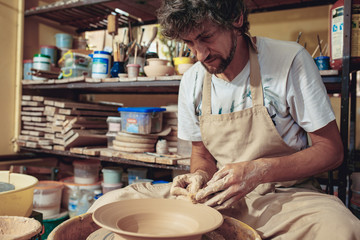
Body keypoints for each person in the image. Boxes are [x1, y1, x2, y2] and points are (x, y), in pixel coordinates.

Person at [88, 0, 360, 239]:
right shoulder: (192, 80)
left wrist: (259, 171)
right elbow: (201, 154)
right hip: (219, 197)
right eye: (189, 43)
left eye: (206, 37)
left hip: (285, 198)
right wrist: (198, 176)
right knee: (109, 204)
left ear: (236, 19)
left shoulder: (289, 61)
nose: (200, 54)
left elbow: (331, 152)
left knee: (342, 229)